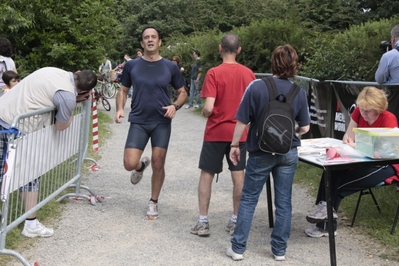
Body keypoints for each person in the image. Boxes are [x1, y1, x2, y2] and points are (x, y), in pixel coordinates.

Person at [226, 44, 310, 261]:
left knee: (249, 199)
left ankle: (238, 248)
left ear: (273, 62)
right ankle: (279, 250)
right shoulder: (298, 92)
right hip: (288, 152)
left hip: (260, 151)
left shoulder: (257, 87)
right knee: (284, 202)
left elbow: (242, 121)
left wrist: (235, 146)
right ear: (294, 64)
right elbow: (305, 128)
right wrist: (291, 131)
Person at [0, 67, 96, 238]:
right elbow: (62, 125)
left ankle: (29, 222)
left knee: (11, 174)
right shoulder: (67, 97)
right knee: (30, 174)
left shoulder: (54, 71)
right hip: (17, 127)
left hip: (4, 115)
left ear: (77, 72)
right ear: (84, 91)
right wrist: (72, 105)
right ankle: (30, 224)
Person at [305, 86, 399, 237]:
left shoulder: (388, 119)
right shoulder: (359, 111)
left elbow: (384, 151)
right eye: (362, 109)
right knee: (330, 171)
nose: (364, 114)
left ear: (379, 108)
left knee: (339, 187)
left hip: (385, 165)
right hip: (360, 159)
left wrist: (355, 145)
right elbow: (347, 138)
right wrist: (355, 144)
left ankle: (326, 224)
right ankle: (324, 214)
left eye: (368, 111)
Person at [114, 26, 187, 220]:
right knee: (128, 164)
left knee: (158, 162)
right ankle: (139, 167)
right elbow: (122, 90)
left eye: (154, 37)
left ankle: (153, 202)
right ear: (142, 43)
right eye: (146, 37)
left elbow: (183, 93)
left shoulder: (170, 67)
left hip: (161, 121)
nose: (150, 40)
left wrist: (175, 106)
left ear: (160, 42)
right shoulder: (132, 65)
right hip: (138, 120)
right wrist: (120, 109)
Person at [190, 34, 255, 237]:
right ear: (239, 50)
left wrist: (204, 112)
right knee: (239, 177)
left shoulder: (213, 73)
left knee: (207, 175)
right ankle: (236, 220)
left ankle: (203, 221)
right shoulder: (249, 74)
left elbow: (208, 107)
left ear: (220, 48)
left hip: (216, 132)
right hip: (239, 134)